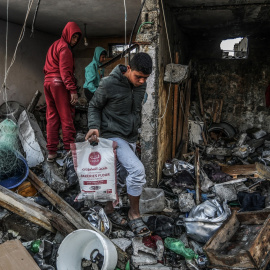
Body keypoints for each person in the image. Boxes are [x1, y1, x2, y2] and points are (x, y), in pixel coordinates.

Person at [85, 53, 152, 237]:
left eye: (145, 78)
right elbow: (94, 106)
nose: (141, 81)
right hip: (112, 135)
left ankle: (109, 209)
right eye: (138, 76)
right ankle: (134, 213)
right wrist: (94, 127)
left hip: (130, 136)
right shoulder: (108, 83)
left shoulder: (141, 85)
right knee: (137, 171)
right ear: (128, 69)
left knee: (120, 175)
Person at [43, 22, 81, 162]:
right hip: (59, 84)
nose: (75, 40)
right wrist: (72, 90)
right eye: (74, 37)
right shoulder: (65, 48)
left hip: (48, 82)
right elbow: (65, 72)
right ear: (67, 34)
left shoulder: (54, 45)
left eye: (77, 38)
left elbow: (47, 66)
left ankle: (51, 153)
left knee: (52, 117)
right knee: (67, 117)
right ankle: (68, 150)